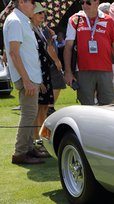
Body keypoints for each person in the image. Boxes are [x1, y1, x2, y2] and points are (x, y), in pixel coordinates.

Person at [3, 0, 45, 164]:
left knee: (31, 114)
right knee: (28, 115)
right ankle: (20, 153)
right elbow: (14, 53)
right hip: (26, 77)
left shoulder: (21, 20)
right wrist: (26, 80)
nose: (35, 6)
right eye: (32, 2)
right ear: (21, 2)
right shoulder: (15, 20)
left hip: (30, 76)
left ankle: (28, 149)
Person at [64, 0, 114, 106]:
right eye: (82, 2)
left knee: (107, 106)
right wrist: (68, 72)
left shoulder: (109, 20)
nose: (84, 5)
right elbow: (68, 47)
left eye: (88, 2)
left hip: (105, 69)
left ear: (97, 2)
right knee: (86, 108)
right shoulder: (74, 19)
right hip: (83, 70)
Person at [30, 3, 60, 137]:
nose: (42, 15)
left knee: (44, 106)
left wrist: (49, 39)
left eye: (43, 13)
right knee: (37, 108)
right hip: (37, 72)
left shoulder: (40, 29)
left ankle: (40, 138)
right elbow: (33, 55)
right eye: (39, 13)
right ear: (32, 15)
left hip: (45, 70)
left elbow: (46, 48)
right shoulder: (29, 30)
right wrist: (38, 79)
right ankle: (36, 139)